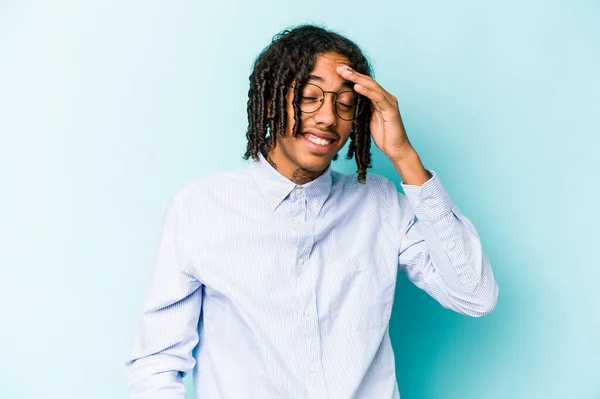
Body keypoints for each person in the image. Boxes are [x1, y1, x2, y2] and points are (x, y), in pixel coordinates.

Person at [125, 24, 498, 399]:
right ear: (271, 101)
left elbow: (474, 296)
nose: (327, 117)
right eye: (309, 96)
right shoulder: (199, 208)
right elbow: (156, 363)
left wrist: (404, 157)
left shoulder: (382, 206)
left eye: (345, 104)